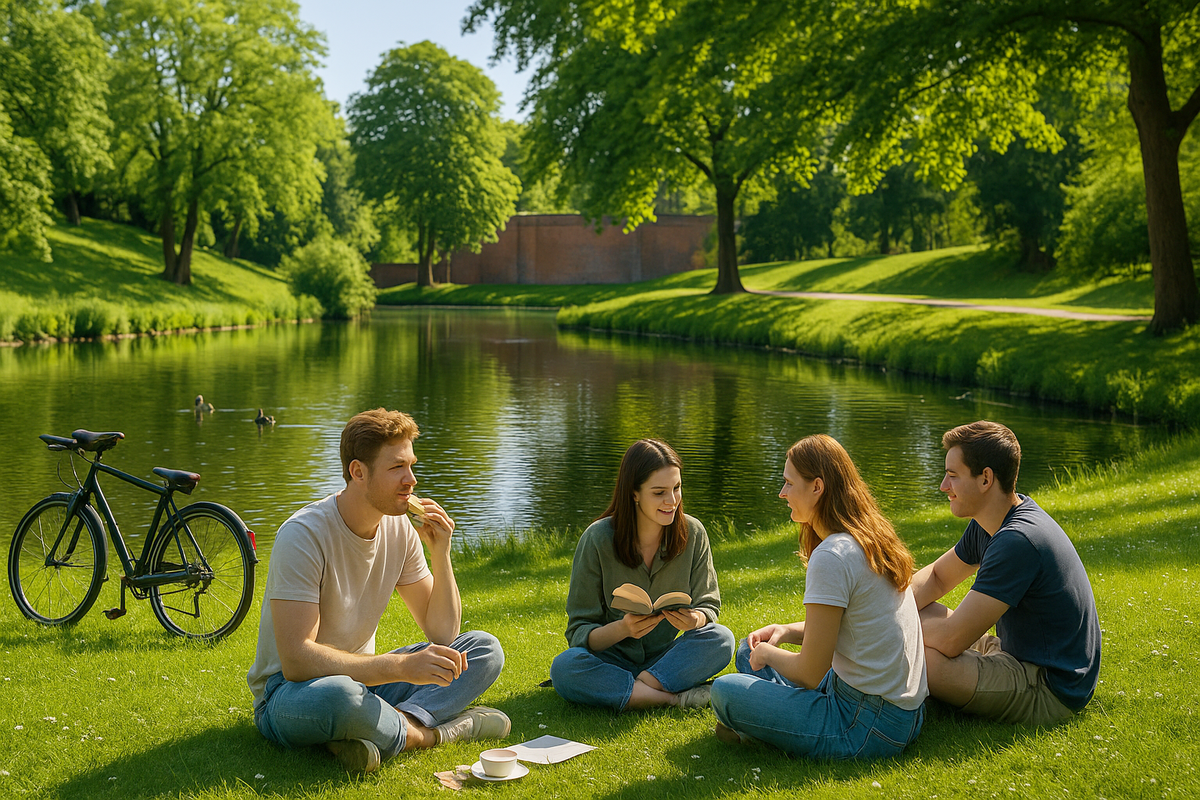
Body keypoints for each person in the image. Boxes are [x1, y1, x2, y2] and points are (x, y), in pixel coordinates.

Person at [246, 408, 508, 773]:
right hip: (291, 694)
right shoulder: (303, 535)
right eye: (396, 467)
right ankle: (434, 734)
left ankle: (378, 728)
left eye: (411, 465)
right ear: (358, 472)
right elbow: (296, 660)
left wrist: (441, 554)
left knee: (482, 649)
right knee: (341, 697)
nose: (411, 480)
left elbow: (443, 633)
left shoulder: (399, 529)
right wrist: (400, 666)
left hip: (365, 684)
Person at [711, 434, 927, 759]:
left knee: (725, 691)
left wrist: (771, 655)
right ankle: (771, 719)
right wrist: (785, 631)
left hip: (864, 724)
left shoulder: (833, 555)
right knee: (747, 651)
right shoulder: (870, 536)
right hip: (903, 712)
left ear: (817, 487)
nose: (782, 493)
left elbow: (812, 672)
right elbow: (851, 624)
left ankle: (762, 723)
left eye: (788, 483)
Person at [912, 420, 1100, 726]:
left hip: (1047, 686)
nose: (944, 487)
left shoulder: (1017, 540)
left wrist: (881, 631)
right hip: (1013, 654)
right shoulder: (992, 520)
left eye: (952, 476)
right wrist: (881, 610)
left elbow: (950, 640)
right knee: (917, 610)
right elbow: (937, 577)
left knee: (921, 658)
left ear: (985, 478)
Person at [549, 438, 735, 711]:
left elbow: (709, 604)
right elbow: (579, 632)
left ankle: (634, 689)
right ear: (634, 493)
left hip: (666, 660)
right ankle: (673, 698)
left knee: (721, 639)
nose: (671, 501)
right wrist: (623, 628)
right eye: (659, 492)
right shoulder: (597, 539)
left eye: (676, 488)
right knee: (564, 667)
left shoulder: (693, 533)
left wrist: (696, 618)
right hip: (609, 659)